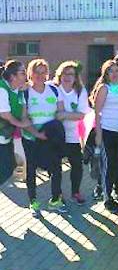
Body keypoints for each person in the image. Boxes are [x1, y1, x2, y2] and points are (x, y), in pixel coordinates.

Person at [22, 59, 67, 216]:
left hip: (50, 136)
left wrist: (50, 130)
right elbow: (24, 119)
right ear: (30, 74)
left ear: (48, 74)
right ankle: (33, 201)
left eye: (43, 72)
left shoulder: (54, 90)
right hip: (32, 137)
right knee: (31, 169)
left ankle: (56, 200)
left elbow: (60, 113)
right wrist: (37, 133)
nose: (40, 75)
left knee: (56, 168)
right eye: (37, 72)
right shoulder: (26, 92)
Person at [90, 59, 118, 212]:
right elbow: (97, 112)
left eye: (117, 71)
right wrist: (98, 134)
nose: (114, 74)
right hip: (107, 132)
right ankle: (107, 198)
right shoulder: (104, 88)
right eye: (110, 71)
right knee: (108, 165)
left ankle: (113, 189)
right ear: (105, 74)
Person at [53, 61, 90, 206]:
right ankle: (58, 193)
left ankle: (76, 192)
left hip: (74, 137)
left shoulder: (80, 91)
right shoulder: (54, 88)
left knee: (77, 166)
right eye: (65, 74)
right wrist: (69, 114)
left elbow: (81, 115)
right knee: (56, 167)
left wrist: (63, 115)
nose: (67, 77)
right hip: (57, 136)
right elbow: (54, 114)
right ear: (59, 75)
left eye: (71, 74)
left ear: (76, 77)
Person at [0, 60, 31, 187]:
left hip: (6, 137)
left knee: (10, 166)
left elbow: (23, 110)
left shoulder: (18, 90)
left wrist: (25, 121)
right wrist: (22, 124)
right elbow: (5, 114)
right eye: (22, 72)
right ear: (13, 76)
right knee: (7, 167)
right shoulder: (2, 89)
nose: (26, 75)